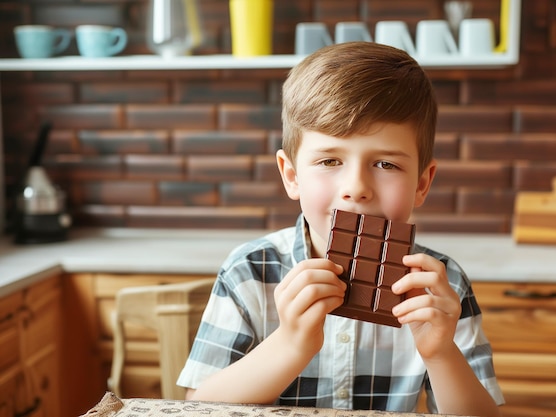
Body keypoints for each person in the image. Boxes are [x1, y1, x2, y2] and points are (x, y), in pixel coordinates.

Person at [177, 41, 504, 416]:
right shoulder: (250, 272)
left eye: (385, 164)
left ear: (421, 184)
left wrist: (441, 352)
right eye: (330, 159)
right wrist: (291, 344)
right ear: (292, 175)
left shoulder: (440, 288)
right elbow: (196, 408)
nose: (357, 188)